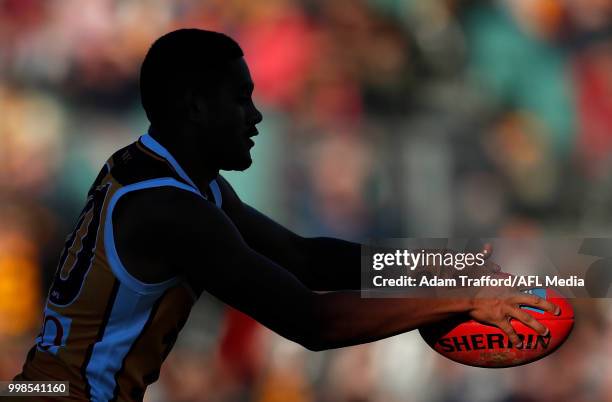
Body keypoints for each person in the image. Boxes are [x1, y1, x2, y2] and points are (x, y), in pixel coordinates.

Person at [12, 29, 558, 402]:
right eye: (240, 99)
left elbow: (305, 259)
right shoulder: (171, 209)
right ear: (196, 106)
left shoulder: (164, 173)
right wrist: (458, 299)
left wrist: (435, 264)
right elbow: (311, 322)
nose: (256, 116)